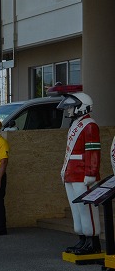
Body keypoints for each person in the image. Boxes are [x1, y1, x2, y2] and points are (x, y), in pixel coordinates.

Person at [57, 90, 102, 254]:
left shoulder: (90, 125)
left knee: (87, 209)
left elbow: (93, 151)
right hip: (72, 174)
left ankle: (93, 242)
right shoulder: (76, 124)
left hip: (83, 175)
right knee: (76, 209)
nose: (69, 110)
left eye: (72, 107)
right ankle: (83, 238)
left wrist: (91, 173)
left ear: (82, 107)